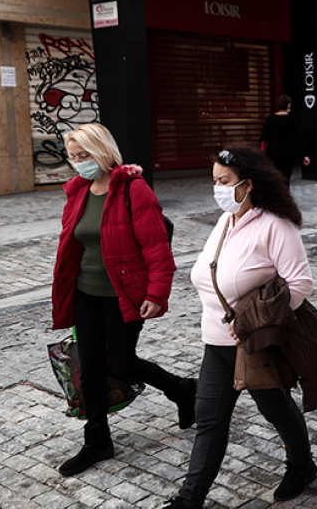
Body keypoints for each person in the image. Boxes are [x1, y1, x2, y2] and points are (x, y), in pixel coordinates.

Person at [165, 146, 316, 509]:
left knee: (275, 408)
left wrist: (260, 324)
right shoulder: (224, 221)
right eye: (214, 180)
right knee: (210, 419)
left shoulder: (276, 225)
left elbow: (300, 284)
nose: (217, 188)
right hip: (216, 341)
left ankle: (301, 465)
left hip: (256, 343)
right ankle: (190, 500)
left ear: (248, 184)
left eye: (224, 181)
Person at [51, 123, 195, 477]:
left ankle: (183, 389)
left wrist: (157, 294)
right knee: (90, 368)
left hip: (123, 294)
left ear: (103, 151)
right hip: (85, 292)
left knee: (122, 363)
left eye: (84, 156)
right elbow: (73, 244)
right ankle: (97, 440)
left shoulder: (134, 189)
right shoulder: (78, 191)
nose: (79, 164)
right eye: (73, 157)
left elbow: (156, 247)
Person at [259, 95, 310, 188]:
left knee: (274, 178)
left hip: (272, 152)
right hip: (287, 153)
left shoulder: (270, 119)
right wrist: (304, 155)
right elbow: (297, 138)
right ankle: (284, 199)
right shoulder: (292, 120)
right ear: (288, 105)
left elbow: (264, 137)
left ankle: (275, 198)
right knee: (285, 178)